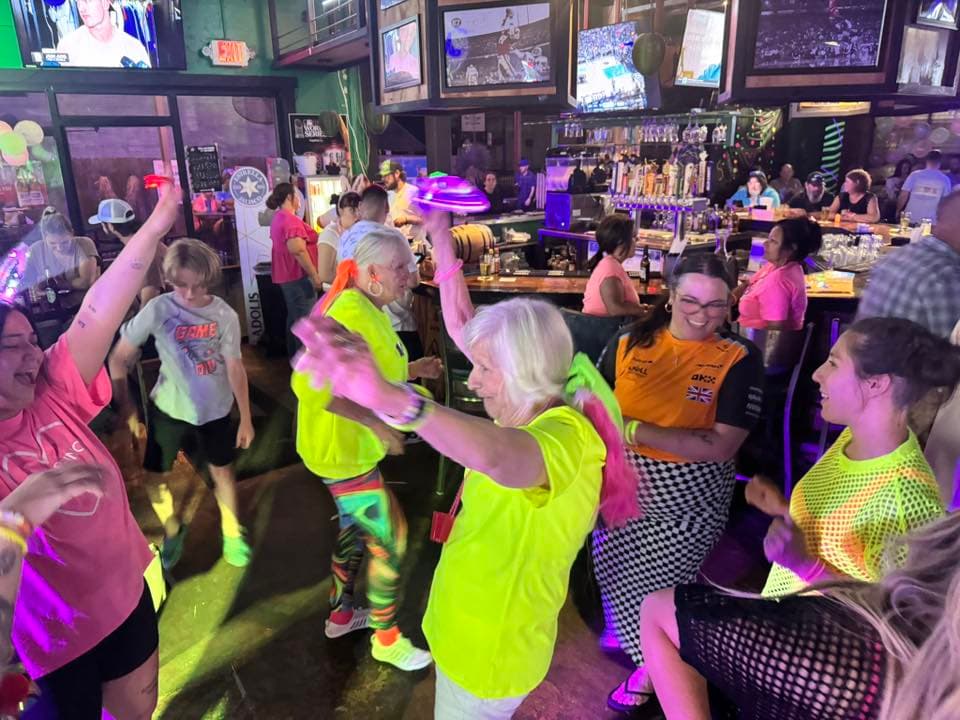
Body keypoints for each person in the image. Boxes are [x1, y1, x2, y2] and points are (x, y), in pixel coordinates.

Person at [292, 209, 639, 719]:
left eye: (484, 369)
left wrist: (396, 401)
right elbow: (462, 327)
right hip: (469, 635)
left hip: (487, 654)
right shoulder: (533, 407)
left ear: (523, 372)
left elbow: (502, 459)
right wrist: (441, 240)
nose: (471, 382)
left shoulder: (569, 438)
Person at [0, 179, 178, 718]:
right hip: (48, 648)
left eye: (33, 342)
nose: (33, 355)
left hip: (127, 601)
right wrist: (15, 517)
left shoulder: (51, 387)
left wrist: (155, 225)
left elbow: (99, 310)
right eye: (13, 347)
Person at [594, 254, 764, 714]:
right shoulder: (629, 341)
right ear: (669, 296)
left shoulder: (738, 358)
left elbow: (720, 446)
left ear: (730, 303)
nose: (701, 315)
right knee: (612, 568)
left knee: (660, 589)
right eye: (689, 300)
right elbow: (593, 398)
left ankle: (652, 667)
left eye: (715, 305)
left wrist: (631, 430)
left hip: (688, 500)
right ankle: (638, 640)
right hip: (619, 487)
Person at [639, 511, 960, 720]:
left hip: (809, 651)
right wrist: (804, 562)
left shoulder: (863, 677)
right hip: (793, 633)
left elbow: (661, 612)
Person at [291, 227, 442, 672]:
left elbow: (369, 371)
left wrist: (413, 368)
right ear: (371, 272)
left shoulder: (368, 307)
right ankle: (386, 637)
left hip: (346, 450)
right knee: (391, 539)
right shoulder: (352, 312)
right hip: (342, 453)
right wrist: (378, 422)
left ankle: (340, 616)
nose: (410, 276)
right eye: (400, 268)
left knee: (356, 530)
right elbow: (310, 388)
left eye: (408, 266)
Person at [747, 317, 951, 599]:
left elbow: (893, 617)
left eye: (833, 363)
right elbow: (842, 533)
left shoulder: (908, 502)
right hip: (780, 612)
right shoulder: (852, 438)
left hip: (811, 637)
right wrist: (786, 509)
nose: (817, 374)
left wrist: (805, 564)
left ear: (876, 384)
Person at [109, 238, 255, 570]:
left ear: (209, 279)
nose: (188, 294)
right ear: (168, 279)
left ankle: (232, 532)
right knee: (155, 478)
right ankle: (173, 529)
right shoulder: (159, 308)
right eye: (180, 285)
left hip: (215, 408)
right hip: (169, 407)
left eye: (197, 285)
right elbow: (118, 359)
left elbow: (235, 366)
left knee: (223, 472)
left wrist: (246, 416)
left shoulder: (224, 314)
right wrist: (126, 406)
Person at [857, 192, 960, 339]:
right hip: (899, 360)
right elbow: (951, 354)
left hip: (862, 356)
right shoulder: (947, 278)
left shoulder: (899, 255)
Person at [22, 208, 100, 345]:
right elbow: (30, 283)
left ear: (72, 234)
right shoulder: (36, 250)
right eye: (52, 244)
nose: (59, 247)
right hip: (50, 311)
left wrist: (57, 285)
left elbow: (86, 282)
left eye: (64, 242)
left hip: (84, 308)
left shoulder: (84, 244)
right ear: (44, 238)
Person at [733, 217, 822, 331]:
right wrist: (730, 299)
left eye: (773, 241)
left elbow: (774, 333)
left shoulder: (778, 281)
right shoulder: (778, 266)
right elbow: (748, 283)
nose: (765, 244)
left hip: (753, 342)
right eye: (768, 239)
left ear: (792, 248)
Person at [266, 182, 322, 357]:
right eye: (296, 196)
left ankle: (295, 362)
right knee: (305, 322)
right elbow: (297, 249)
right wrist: (314, 275)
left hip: (287, 276)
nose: (299, 200)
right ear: (290, 197)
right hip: (298, 277)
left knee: (295, 319)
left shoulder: (278, 218)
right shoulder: (290, 220)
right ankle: (306, 366)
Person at [87, 198, 166, 310]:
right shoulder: (137, 245)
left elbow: (149, 304)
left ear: (110, 226)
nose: (102, 228)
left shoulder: (143, 251)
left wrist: (132, 327)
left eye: (102, 224)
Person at [56, 0, 152, 68]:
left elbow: (151, 93)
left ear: (105, 3)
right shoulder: (68, 46)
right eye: (78, 2)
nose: (81, 8)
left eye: (87, 1)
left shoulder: (134, 48)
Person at [582, 215, 646, 318]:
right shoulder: (610, 269)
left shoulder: (610, 264)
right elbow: (615, 309)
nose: (637, 240)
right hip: (606, 332)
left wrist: (642, 309)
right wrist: (643, 310)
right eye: (633, 237)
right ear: (620, 242)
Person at [317, 192, 361, 288]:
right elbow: (324, 275)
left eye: (359, 210)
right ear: (341, 211)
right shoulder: (330, 233)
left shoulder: (357, 231)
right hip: (338, 294)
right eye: (352, 210)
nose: (357, 215)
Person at [897, 150, 953, 223]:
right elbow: (945, 203)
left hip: (910, 219)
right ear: (940, 162)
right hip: (931, 222)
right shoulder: (945, 180)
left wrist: (898, 210)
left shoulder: (914, 175)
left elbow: (903, 196)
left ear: (926, 160)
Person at [381, 161, 424, 247]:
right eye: (382, 176)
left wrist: (406, 219)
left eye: (386, 175)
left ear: (397, 173)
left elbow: (425, 220)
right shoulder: (388, 195)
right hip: (397, 246)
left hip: (415, 246)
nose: (383, 179)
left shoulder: (413, 192)